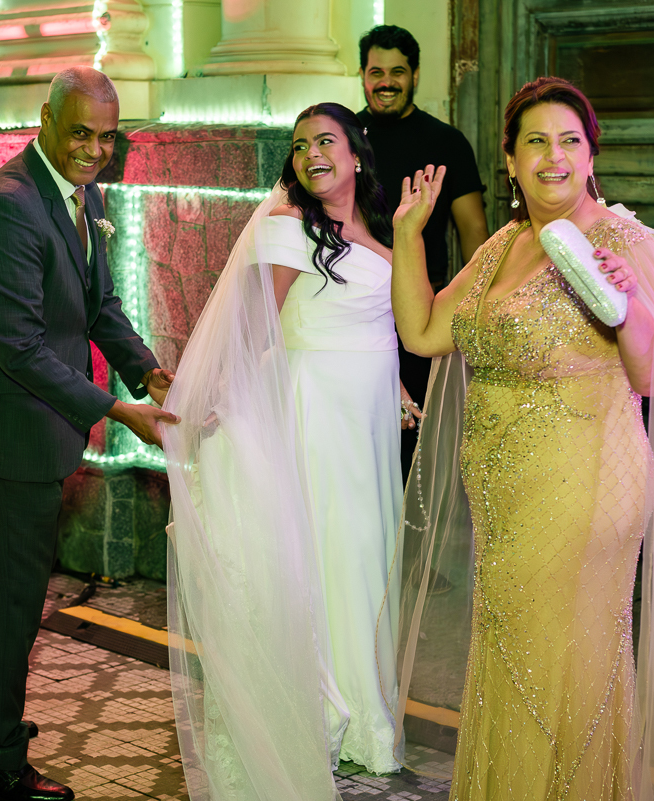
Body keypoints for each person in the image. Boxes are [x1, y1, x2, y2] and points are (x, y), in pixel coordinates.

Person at [388, 77, 654, 800]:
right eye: (535, 142)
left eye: (570, 141)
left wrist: (629, 304)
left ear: (591, 155)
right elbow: (423, 330)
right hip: (506, 497)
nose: (554, 157)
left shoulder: (621, 240)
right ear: (509, 161)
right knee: (514, 664)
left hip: (585, 485)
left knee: (559, 671)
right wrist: (408, 235)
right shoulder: (503, 246)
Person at [0, 67, 177, 801]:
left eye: (107, 137)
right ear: (44, 118)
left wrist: (148, 370)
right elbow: (22, 347)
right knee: (14, 594)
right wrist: (117, 409)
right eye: (81, 134)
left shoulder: (83, 195)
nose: (95, 151)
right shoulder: (7, 209)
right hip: (1, 435)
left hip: (34, 429)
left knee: (8, 584)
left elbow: (98, 302)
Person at [161, 102, 405, 800]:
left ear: (357, 153)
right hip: (317, 411)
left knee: (369, 557)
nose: (311, 154)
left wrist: (397, 389)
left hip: (371, 416)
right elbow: (253, 326)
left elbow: (383, 322)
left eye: (325, 140)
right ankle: (325, 712)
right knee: (333, 556)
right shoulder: (286, 227)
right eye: (299, 146)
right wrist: (223, 400)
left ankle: (367, 717)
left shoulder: (382, 230)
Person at [356, 24, 489, 478]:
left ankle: (412, 545)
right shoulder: (345, 139)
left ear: (415, 75)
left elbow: (475, 232)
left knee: (415, 443)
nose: (386, 81)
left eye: (398, 71)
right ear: (361, 74)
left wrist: (473, 312)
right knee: (360, 438)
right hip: (356, 315)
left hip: (424, 314)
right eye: (377, 71)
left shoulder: (446, 142)